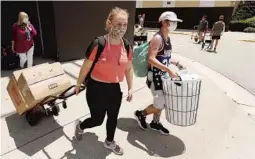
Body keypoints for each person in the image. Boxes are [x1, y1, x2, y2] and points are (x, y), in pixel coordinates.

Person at [74, 7, 133, 155]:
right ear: (109, 23)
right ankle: (81, 126)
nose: (122, 28)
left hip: (114, 89)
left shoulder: (127, 46)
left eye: (125, 24)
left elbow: (129, 68)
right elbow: (86, 65)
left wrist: (131, 88)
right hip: (96, 88)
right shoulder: (98, 43)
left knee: (113, 118)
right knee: (97, 120)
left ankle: (109, 142)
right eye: (119, 24)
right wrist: (78, 83)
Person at [134, 11, 185, 135]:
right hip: (156, 76)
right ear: (164, 22)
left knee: (163, 101)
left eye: (175, 22)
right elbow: (151, 58)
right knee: (160, 103)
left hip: (164, 76)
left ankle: (155, 123)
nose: (174, 24)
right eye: (172, 22)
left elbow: (165, 57)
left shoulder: (167, 38)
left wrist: (176, 63)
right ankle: (141, 114)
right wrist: (168, 69)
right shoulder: (157, 38)